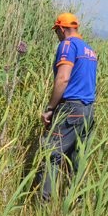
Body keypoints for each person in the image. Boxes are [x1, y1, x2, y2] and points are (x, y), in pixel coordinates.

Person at [38, 12, 98, 201]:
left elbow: (63, 78)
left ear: (62, 29)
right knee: (77, 159)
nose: (57, 34)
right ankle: (76, 203)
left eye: (57, 31)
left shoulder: (67, 44)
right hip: (88, 110)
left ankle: (43, 206)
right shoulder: (89, 50)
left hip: (70, 108)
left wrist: (50, 108)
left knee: (51, 154)